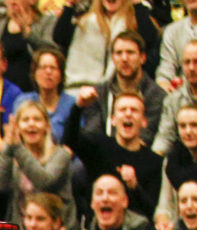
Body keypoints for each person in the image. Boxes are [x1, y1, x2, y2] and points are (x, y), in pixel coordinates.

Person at [65, 91, 162, 220]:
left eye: (134, 110)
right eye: (122, 110)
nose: (128, 114)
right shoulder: (98, 146)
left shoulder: (154, 161)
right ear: (113, 120)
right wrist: (79, 106)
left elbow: (152, 210)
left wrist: (135, 187)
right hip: (96, 226)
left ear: (144, 121)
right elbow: (70, 140)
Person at [68, 31, 165, 146]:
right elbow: (92, 133)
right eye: (119, 53)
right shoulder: (98, 93)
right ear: (113, 58)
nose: (124, 58)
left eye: (130, 52)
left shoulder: (156, 95)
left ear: (142, 58)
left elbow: (146, 136)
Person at [0, 98, 76, 229]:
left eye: (37, 120)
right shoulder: (16, 154)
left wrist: (17, 148)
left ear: (47, 126)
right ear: (18, 127)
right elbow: (0, 184)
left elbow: (44, 181)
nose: (31, 124)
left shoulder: (61, 155)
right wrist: (8, 148)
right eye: (25, 120)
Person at [53, 0, 158, 95]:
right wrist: (69, 5)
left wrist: (137, 4)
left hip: (120, 91)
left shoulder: (135, 19)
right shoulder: (84, 19)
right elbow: (59, 38)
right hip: (78, 89)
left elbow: (149, 39)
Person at [14, 46, 78, 144]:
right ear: (34, 73)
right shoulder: (23, 101)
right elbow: (16, 137)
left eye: (53, 68)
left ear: (61, 75)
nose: (48, 72)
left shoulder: (72, 104)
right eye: (43, 67)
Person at [153, 38, 197, 157]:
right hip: (185, 160)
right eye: (187, 62)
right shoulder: (173, 100)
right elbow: (165, 137)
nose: (191, 68)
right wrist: (153, 161)